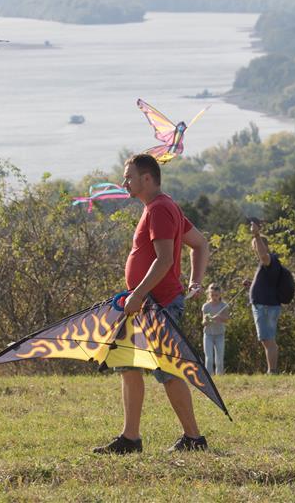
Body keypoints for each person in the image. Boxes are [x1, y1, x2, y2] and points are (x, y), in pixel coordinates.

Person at [93, 153, 210, 454]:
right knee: (128, 366)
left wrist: (139, 294)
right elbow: (199, 243)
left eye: (129, 176)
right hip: (143, 304)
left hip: (159, 305)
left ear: (147, 178)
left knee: (168, 371)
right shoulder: (163, 206)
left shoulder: (159, 209)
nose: (124, 182)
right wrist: (195, 281)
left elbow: (165, 260)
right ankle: (130, 438)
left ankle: (194, 439)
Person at [248, 221, 282, 374]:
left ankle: (272, 370)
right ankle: (272, 369)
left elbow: (263, 254)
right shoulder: (268, 263)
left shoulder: (268, 259)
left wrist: (256, 234)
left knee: (268, 340)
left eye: (255, 245)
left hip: (266, 306)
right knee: (268, 340)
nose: (254, 249)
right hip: (265, 304)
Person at [201, 283, 230, 376]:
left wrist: (220, 317)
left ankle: (220, 375)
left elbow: (227, 320)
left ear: (220, 294)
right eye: (212, 295)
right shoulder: (206, 306)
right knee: (209, 358)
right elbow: (203, 323)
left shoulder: (224, 306)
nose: (214, 297)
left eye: (216, 295)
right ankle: (209, 376)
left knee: (219, 357)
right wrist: (206, 320)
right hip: (208, 334)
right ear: (209, 294)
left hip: (220, 334)